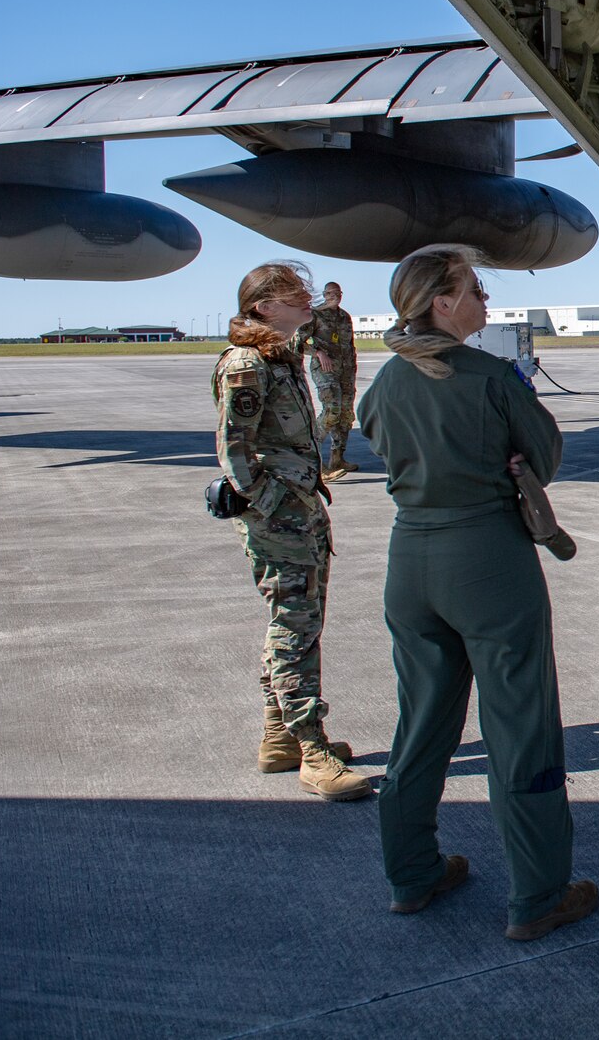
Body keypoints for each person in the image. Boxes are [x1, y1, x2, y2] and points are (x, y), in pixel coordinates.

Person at [356, 245, 598, 942]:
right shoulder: (491, 376)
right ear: (442, 302)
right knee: (520, 727)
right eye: (476, 291)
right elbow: (545, 454)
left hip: (412, 563)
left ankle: (412, 874)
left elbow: (377, 439)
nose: (486, 303)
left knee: (422, 723)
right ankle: (539, 894)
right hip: (488, 562)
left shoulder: (385, 383)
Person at [214, 261, 370, 802]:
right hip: (280, 519)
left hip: (298, 511)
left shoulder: (279, 356)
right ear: (262, 306)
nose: (307, 299)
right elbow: (234, 450)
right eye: (293, 294)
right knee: (295, 629)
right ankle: (311, 749)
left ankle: (278, 737)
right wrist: (274, 504)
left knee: (292, 622)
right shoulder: (247, 363)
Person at [303, 281, 359, 479]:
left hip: (345, 372)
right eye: (330, 293)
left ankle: (337, 458)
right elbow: (297, 342)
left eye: (338, 293)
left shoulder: (345, 317)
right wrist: (317, 352)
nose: (334, 296)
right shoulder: (315, 315)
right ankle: (313, 463)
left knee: (345, 415)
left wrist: (352, 370)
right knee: (331, 411)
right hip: (325, 370)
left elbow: (350, 346)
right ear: (324, 294)